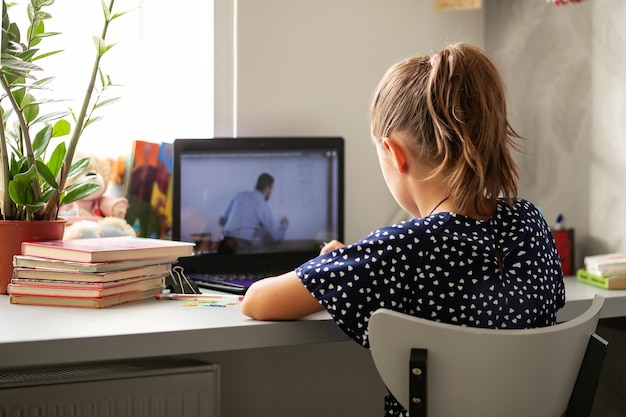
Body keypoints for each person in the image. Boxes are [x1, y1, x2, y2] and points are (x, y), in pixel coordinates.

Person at [241, 43, 565, 416]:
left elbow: (257, 301)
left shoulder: (401, 248)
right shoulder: (530, 222)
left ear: (395, 153)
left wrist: (335, 266)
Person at [219, 173, 289, 253]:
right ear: (268, 189)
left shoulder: (240, 195)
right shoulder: (263, 206)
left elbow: (223, 217)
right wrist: (284, 224)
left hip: (225, 242)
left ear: (256, 184)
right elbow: (276, 237)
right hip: (242, 245)